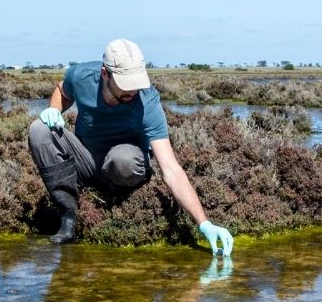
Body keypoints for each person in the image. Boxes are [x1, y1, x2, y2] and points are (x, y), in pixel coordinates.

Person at [26, 39, 234, 252]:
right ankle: (68, 214)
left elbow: (171, 169)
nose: (133, 90)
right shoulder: (81, 76)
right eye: (126, 83)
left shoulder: (147, 102)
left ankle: (116, 200)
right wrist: (54, 109)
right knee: (39, 129)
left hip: (124, 165)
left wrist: (204, 223)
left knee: (123, 159)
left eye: (136, 82)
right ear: (105, 74)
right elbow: (63, 90)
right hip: (86, 159)